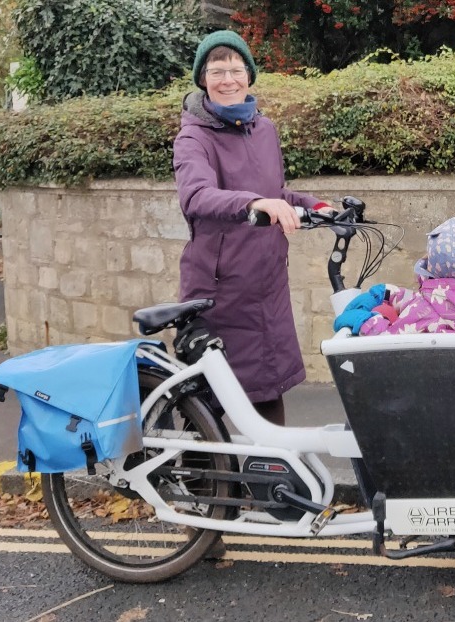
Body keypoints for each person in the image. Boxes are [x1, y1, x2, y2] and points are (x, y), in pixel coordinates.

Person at [173, 30, 331, 426]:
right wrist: (252, 203)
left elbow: (274, 192)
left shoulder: (265, 130)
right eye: (217, 71)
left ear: (249, 75)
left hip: (267, 284)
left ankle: (274, 483)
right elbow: (196, 195)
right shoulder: (193, 136)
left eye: (236, 69)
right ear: (202, 79)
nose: (228, 79)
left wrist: (316, 205)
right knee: (208, 407)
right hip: (220, 290)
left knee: (269, 391)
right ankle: (199, 484)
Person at [334, 216, 455, 335]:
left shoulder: (427, 311)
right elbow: (432, 300)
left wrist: (365, 321)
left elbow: (388, 340)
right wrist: (389, 293)